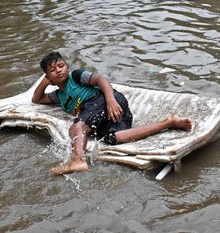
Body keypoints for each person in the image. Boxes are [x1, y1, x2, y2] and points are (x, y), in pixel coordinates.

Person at [32, 52, 194, 175]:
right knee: (115, 139)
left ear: (68, 67)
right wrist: (45, 81)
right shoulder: (59, 97)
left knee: (76, 128)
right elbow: (37, 99)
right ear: (49, 79)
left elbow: (100, 80)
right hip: (103, 115)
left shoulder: (76, 76)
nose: (59, 70)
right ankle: (169, 123)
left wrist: (110, 100)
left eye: (61, 66)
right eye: (53, 70)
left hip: (107, 102)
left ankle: (77, 160)